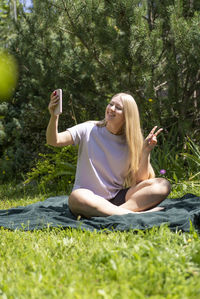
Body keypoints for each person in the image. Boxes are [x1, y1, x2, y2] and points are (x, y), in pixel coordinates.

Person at [46, 91, 171, 218]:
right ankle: (131, 214)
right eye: (111, 104)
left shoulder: (132, 142)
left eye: (118, 108)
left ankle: (117, 212)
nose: (111, 109)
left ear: (127, 116)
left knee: (162, 185)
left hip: (118, 198)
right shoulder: (88, 129)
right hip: (88, 197)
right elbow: (53, 140)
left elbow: (141, 181)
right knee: (76, 197)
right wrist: (54, 116)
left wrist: (145, 152)